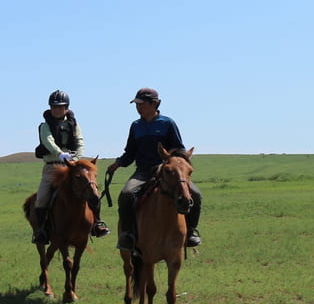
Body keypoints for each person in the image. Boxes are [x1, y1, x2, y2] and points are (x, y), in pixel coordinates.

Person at [106, 87, 202, 251]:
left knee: (196, 194)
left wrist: (173, 163)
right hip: (143, 171)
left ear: (155, 104)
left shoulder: (168, 123)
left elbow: (179, 149)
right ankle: (127, 234)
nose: (138, 107)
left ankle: (191, 232)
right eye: (137, 104)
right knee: (126, 194)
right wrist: (117, 164)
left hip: (167, 171)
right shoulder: (135, 126)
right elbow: (130, 153)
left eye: (142, 104)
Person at [32, 89, 110, 244]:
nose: (57, 110)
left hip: (73, 166)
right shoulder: (44, 126)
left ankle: (97, 223)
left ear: (66, 108)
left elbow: (80, 142)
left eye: (60, 107)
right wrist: (60, 153)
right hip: (53, 166)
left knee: (93, 192)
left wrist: (75, 158)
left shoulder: (74, 124)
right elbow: (48, 141)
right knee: (41, 198)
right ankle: (41, 231)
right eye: (54, 107)